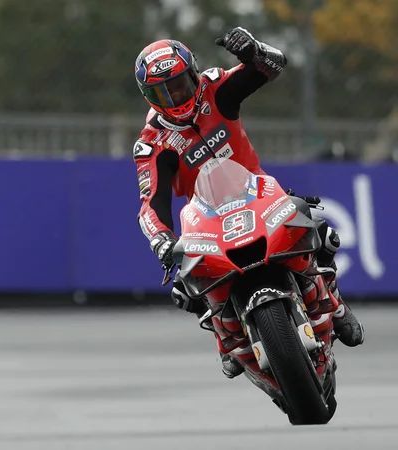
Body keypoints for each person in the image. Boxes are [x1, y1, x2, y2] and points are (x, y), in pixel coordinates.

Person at [132, 27, 365, 378]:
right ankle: (225, 335)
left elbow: (272, 66)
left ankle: (333, 303)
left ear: (194, 73)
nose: (175, 95)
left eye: (179, 84)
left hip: (257, 193)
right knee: (186, 288)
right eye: (162, 92)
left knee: (317, 229)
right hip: (206, 218)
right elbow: (151, 203)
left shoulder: (215, 90)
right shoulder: (153, 144)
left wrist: (253, 50)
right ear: (148, 96)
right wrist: (161, 239)